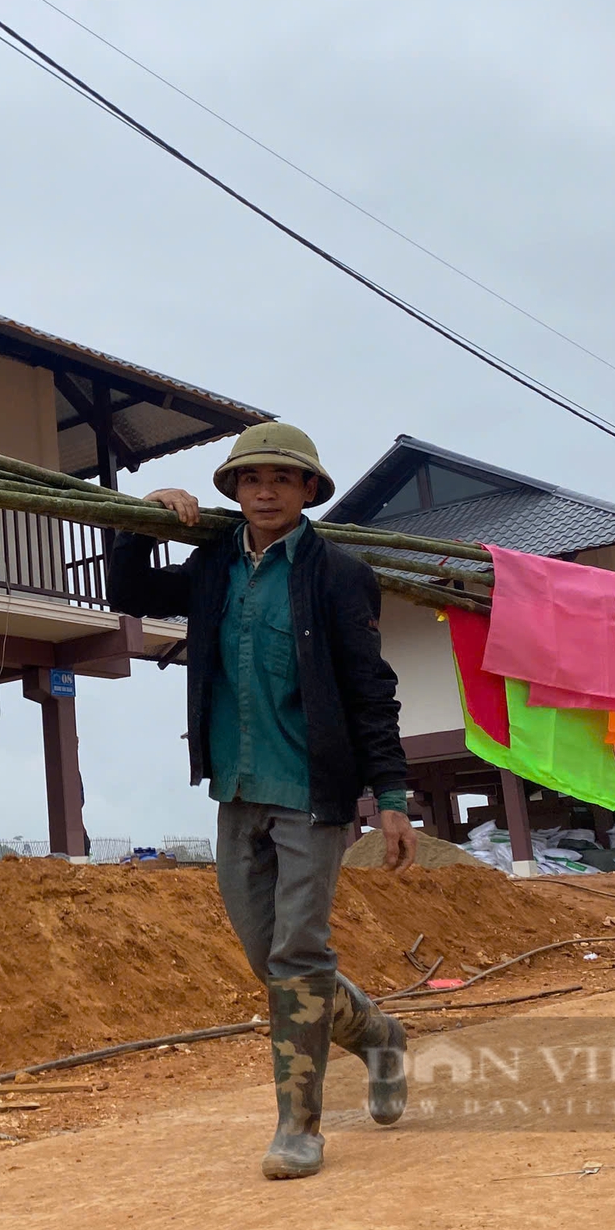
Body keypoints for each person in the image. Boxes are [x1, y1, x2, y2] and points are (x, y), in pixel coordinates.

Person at [108, 421, 413, 1180]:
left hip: (314, 795)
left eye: (282, 477)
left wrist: (395, 796)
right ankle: (379, 1035)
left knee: (298, 953)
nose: (265, 490)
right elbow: (132, 591)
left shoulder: (339, 574)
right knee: (267, 959)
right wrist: (142, 520)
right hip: (237, 790)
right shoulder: (213, 563)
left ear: (309, 489)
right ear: (234, 491)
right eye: (250, 479)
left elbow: (372, 692)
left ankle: (299, 1127)